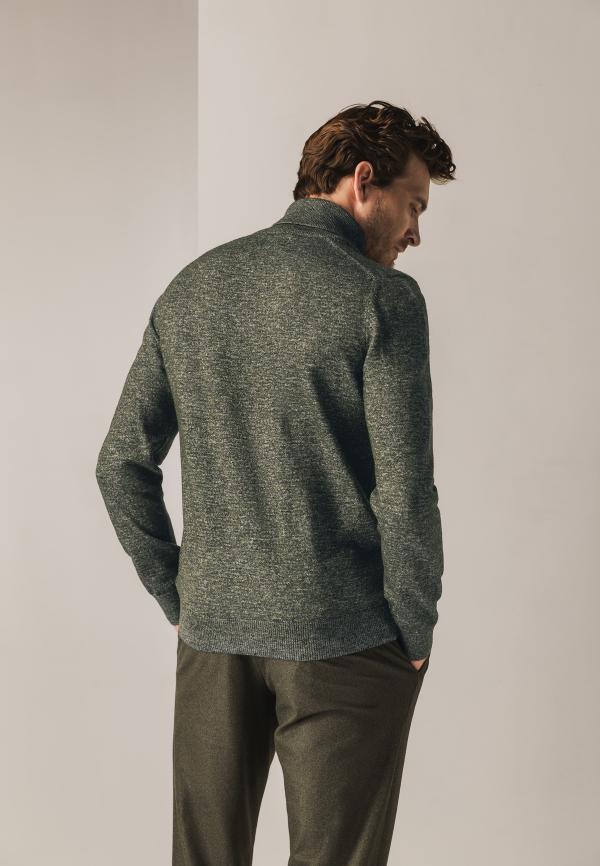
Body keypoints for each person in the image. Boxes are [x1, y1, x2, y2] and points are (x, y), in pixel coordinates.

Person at [95, 99, 455, 866]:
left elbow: (120, 462)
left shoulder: (192, 289)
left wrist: (185, 598)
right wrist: (415, 631)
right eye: (415, 205)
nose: (415, 233)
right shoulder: (382, 299)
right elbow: (405, 492)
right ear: (364, 181)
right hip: (346, 642)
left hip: (213, 637)